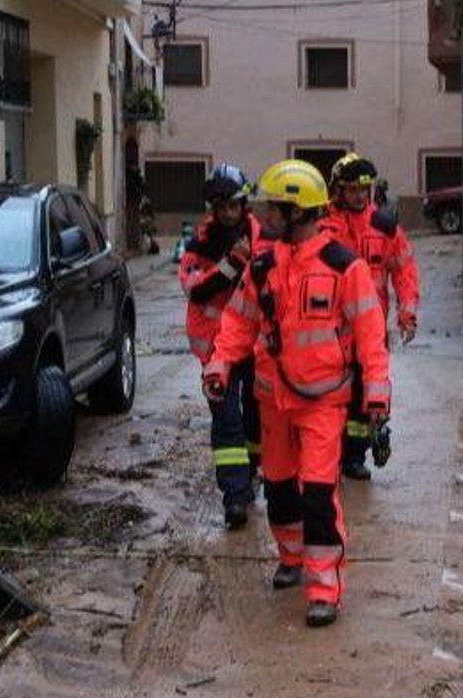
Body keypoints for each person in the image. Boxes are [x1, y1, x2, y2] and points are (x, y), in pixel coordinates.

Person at [204, 159, 391, 627]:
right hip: (273, 400)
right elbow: (239, 321)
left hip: (324, 401)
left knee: (318, 492)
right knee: (281, 488)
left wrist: (377, 398)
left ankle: (324, 585)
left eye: (274, 209)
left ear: (299, 212)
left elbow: (371, 335)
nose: (264, 216)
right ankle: (291, 559)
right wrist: (220, 363)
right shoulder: (264, 265)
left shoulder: (343, 267)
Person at [179, 164, 269, 527]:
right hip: (216, 351)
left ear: (244, 205)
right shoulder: (199, 245)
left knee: (256, 418)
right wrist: (232, 264)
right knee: (226, 420)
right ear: (213, 210)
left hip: (254, 346)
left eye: (234, 206)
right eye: (222, 207)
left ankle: (249, 478)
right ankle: (234, 495)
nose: (229, 213)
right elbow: (195, 286)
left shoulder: (262, 238)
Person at [324, 153, 420, 480]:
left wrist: (407, 311)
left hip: (371, 327)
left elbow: (405, 269)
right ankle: (325, 452)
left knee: (365, 395)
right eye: (351, 189)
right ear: (338, 189)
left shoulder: (384, 225)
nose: (358, 196)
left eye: (363, 189)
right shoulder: (323, 225)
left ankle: (354, 455)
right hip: (331, 330)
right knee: (331, 393)